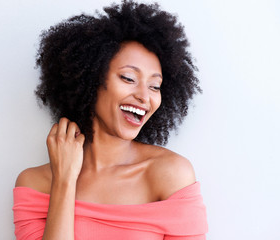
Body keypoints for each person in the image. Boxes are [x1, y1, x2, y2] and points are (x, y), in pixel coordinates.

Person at [12, 0, 208, 239]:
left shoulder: (170, 174)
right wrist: (64, 181)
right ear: (91, 78)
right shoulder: (35, 184)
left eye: (155, 86)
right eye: (128, 78)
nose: (144, 96)